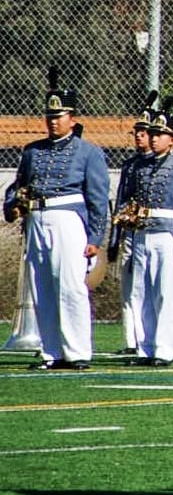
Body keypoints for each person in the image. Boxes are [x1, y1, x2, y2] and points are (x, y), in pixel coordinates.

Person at [3, 68, 110, 371]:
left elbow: (98, 198)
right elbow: (17, 185)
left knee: (71, 286)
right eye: (50, 117)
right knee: (42, 287)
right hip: (37, 218)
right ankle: (52, 351)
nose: (53, 121)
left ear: (72, 118)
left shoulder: (88, 152)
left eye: (59, 116)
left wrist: (95, 238)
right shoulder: (32, 151)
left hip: (68, 219)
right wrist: (12, 205)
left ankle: (77, 352)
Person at [127, 99, 173, 366]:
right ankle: (144, 347)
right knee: (141, 291)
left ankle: (164, 350)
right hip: (143, 232)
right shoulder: (141, 166)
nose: (154, 139)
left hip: (167, 234)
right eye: (153, 134)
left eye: (160, 135)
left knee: (165, 292)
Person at [109, 91, 156, 356]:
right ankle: (131, 339)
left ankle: (146, 339)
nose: (139, 136)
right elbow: (121, 201)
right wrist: (115, 239)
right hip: (130, 231)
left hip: (151, 230)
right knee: (128, 287)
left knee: (147, 287)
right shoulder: (130, 165)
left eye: (144, 131)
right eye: (137, 131)